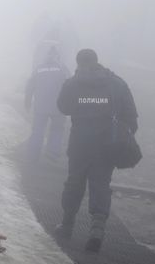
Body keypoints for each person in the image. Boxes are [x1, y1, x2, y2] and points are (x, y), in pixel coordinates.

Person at [54, 49, 138, 252]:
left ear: (78, 62)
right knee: (100, 185)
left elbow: (63, 108)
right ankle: (97, 231)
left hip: (80, 143)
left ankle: (67, 225)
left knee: (74, 182)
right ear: (97, 61)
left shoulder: (73, 83)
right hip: (107, 145)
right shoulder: (117, 83)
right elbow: (131, 117)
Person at [24, 46, 68, 162]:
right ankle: (52, 153)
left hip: (40, 106)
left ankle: (33, 153)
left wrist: (27, 102)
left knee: (38, 129)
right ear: (58, 57)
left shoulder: (38, 69)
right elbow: (70, 86)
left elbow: (30, 87)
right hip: (59, 106)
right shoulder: (63, 69)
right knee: (57, 129)